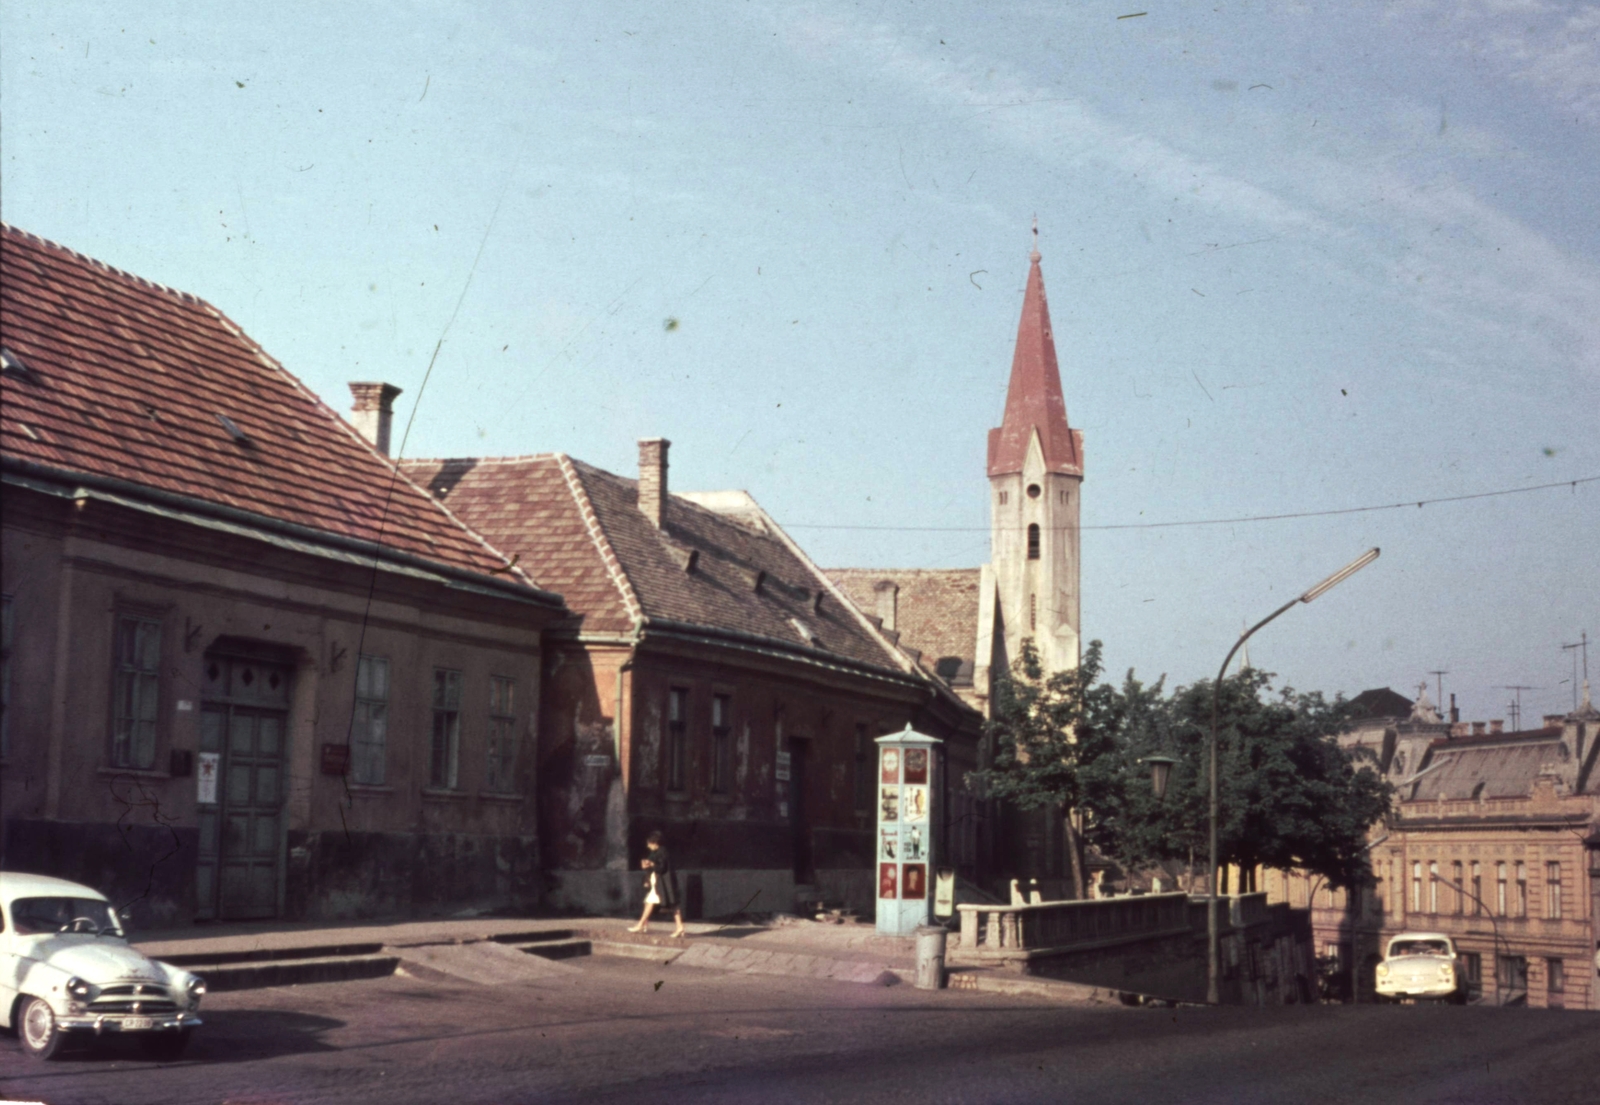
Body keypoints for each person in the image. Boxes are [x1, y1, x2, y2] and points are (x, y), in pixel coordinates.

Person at [628, 830, 685, 938]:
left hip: (663, 884)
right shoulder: (656, 852)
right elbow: (653, 866)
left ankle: (642, 924)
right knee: (657, 903)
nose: (648, 845)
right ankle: (644, 924)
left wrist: (651, 864)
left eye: (649, 843)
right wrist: (647, 866)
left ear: (654, 843)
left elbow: (661, 868)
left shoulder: (662, 852)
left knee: (670, 904)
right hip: (658, 883)